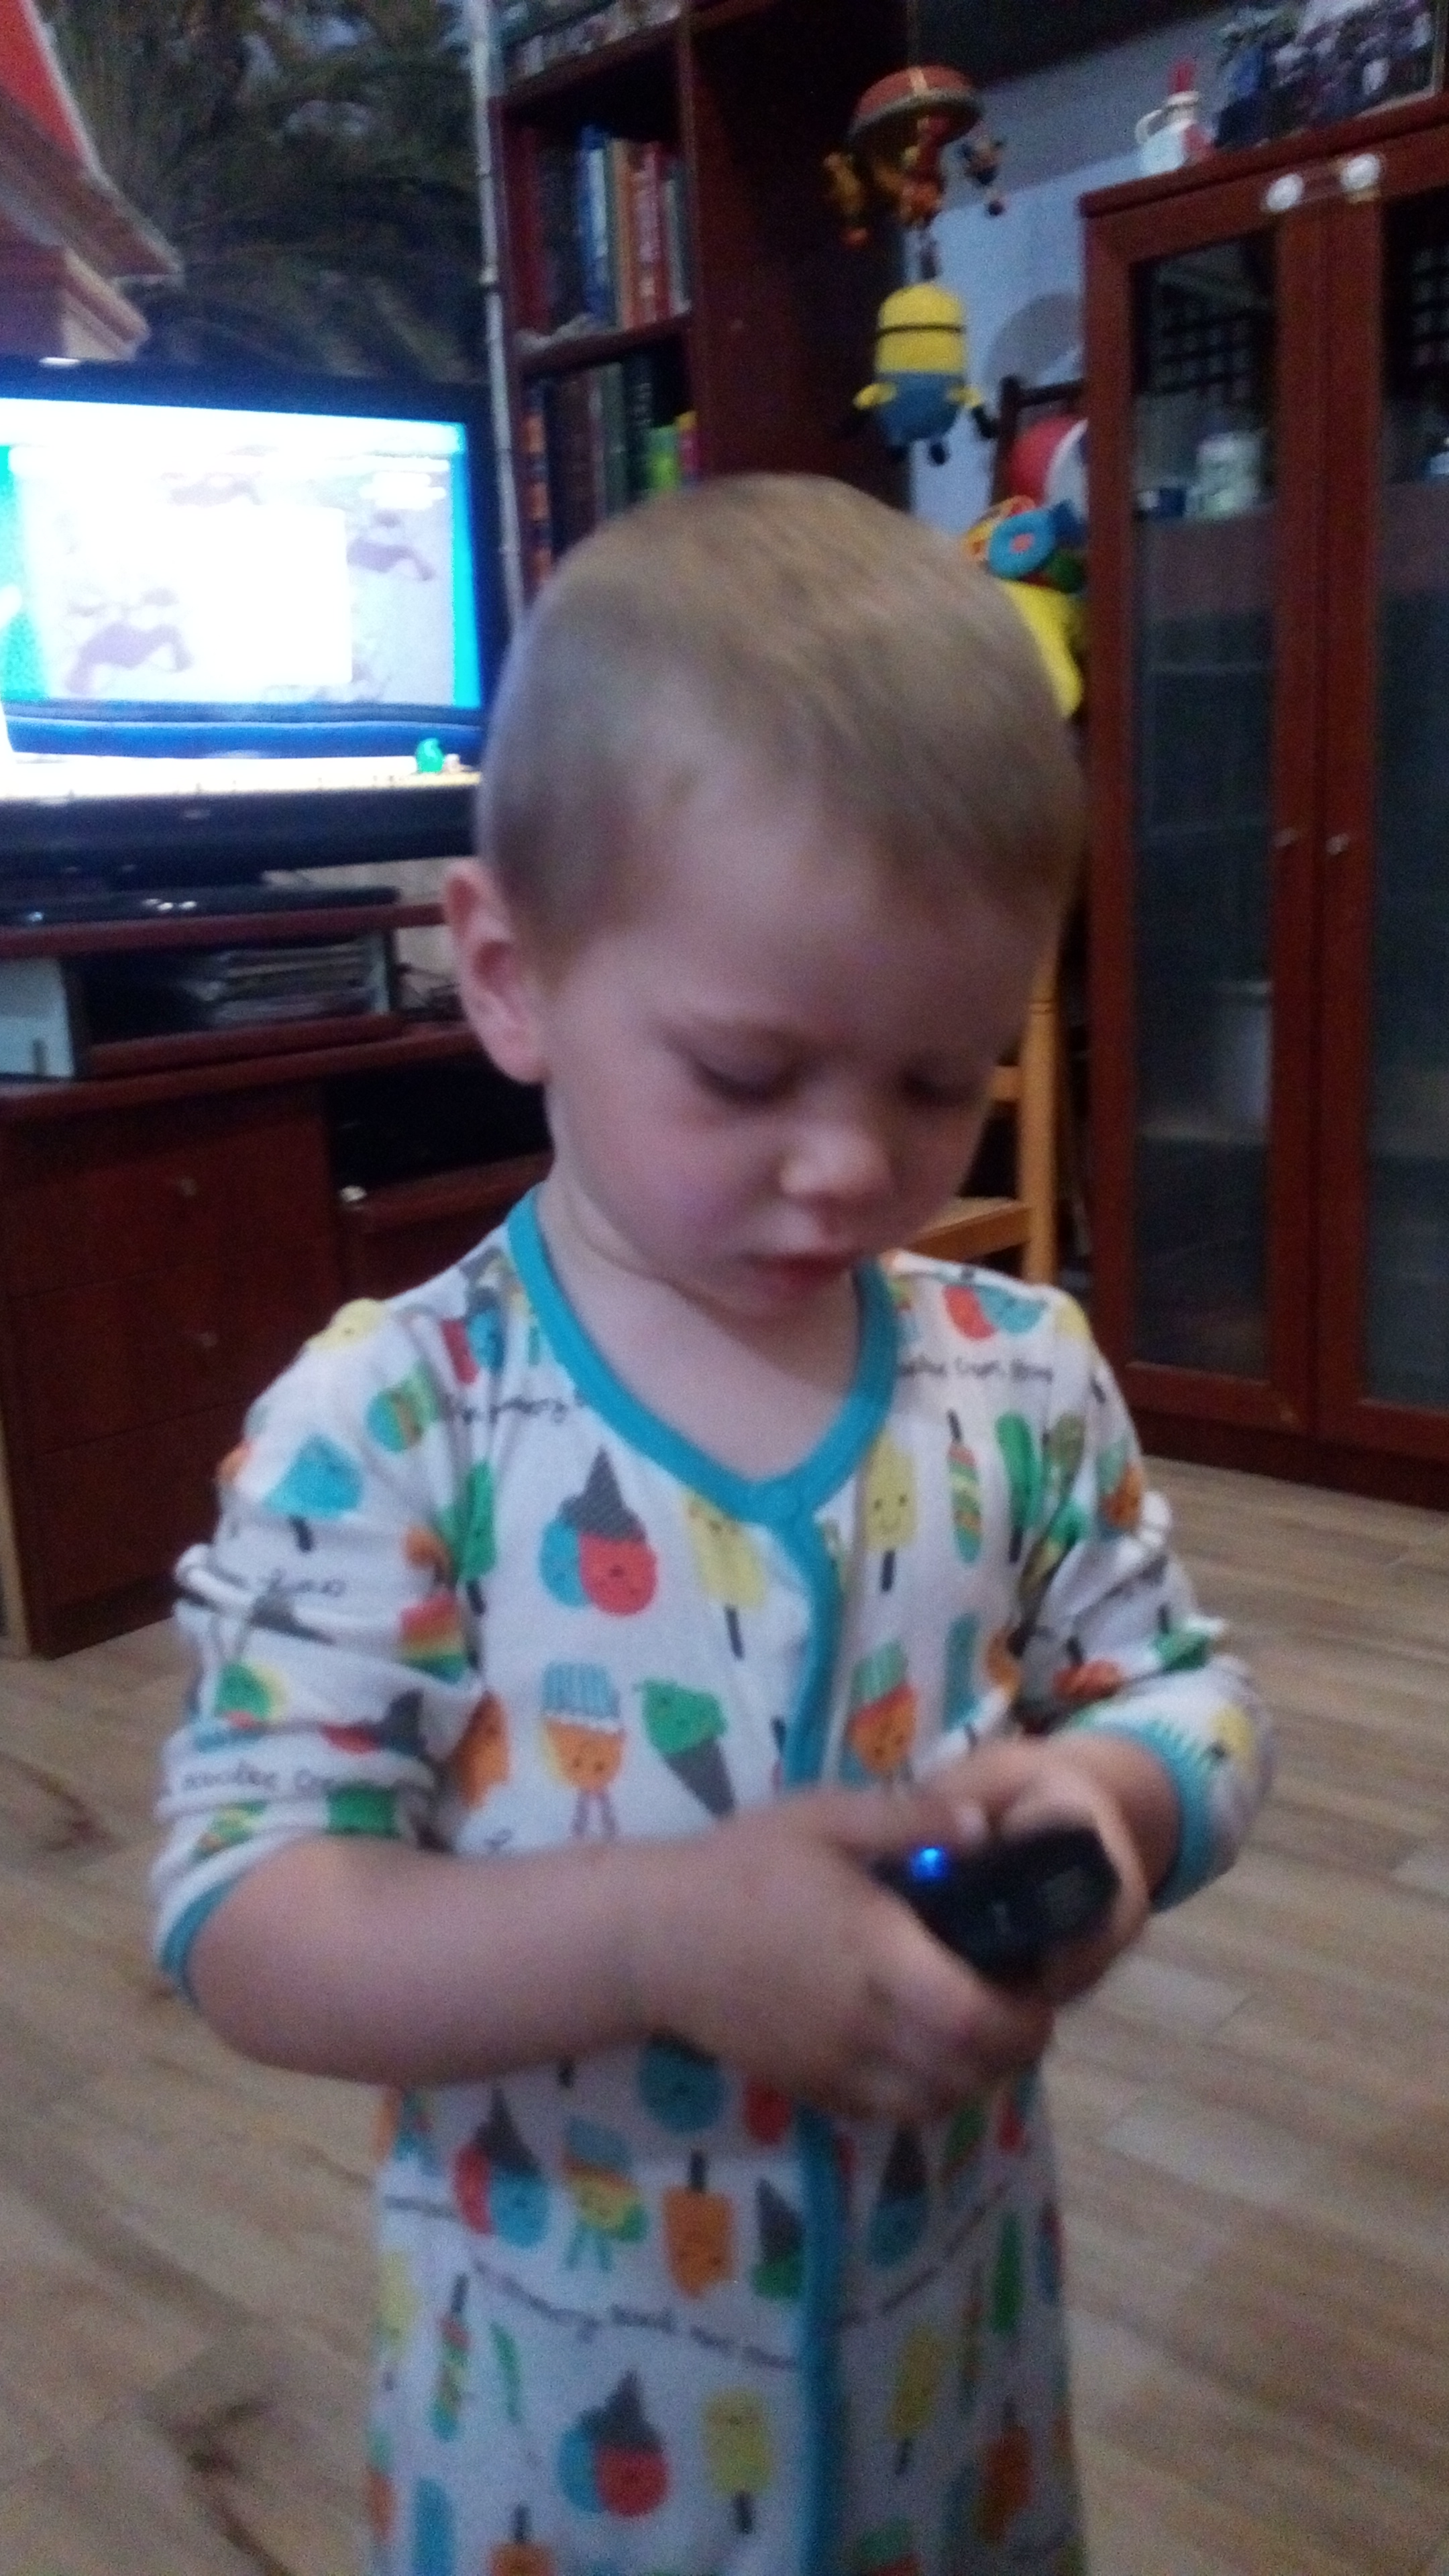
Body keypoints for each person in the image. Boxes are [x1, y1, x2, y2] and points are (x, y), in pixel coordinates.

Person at [153, 475, 1271, 2576]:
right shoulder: (397, 1423)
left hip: (954, 2413)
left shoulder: (1019, 1373)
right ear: (511, 975)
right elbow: (245, 1914)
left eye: (935, 1082)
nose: (848, 1167)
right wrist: (657, 1934)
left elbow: (1196, 1695)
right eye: (748, 1078)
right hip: (557, 2466)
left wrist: (1117, 1806)